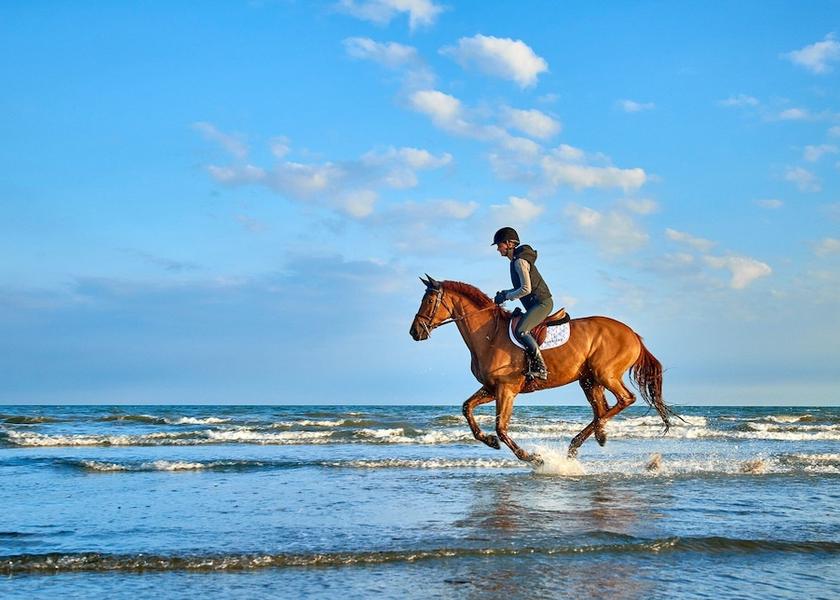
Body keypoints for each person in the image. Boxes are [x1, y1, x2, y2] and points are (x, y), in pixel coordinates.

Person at [492, 227, 553, 380]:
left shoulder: (519, 261)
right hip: (534, 305)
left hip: (542, 304)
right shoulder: (515, 261)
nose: (498, 249)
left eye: (499, 245)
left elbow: (526, 289)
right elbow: (520, 288)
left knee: (521, 331)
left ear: (508, 243)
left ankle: (541, 368)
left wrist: (507, 297)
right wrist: (505, 293)